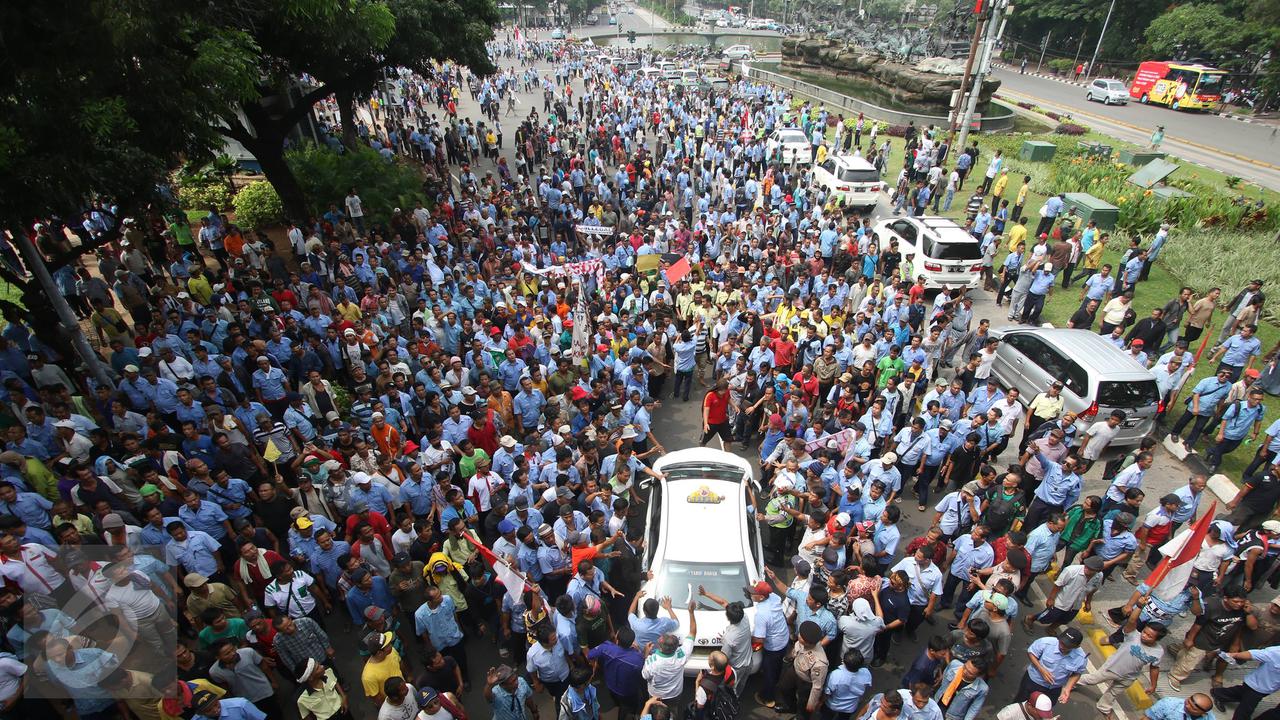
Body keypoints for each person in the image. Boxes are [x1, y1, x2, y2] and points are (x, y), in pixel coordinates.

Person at [1168, 585, 1256, 691]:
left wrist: (1249, 613)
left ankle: (1179, 652)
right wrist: (1190, 639)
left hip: (1222, 641)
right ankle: (1175, 676)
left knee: (1186, 654)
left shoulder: (1244, 609)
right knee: (1190, 662)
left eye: (1242, 601)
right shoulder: (1211, 605)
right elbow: (1198, 624)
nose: (1239, 604)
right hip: (1203, 640)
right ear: (1226, 598)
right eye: (1236, 601)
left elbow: (1251, 627)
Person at [1077, 623, 1167, 720]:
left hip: (1129, 677)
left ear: (1156, 639)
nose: (1144, 636)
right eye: (1144, 632)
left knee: (1114, 693)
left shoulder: (1158, 652)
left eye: (1149, 636)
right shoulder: (1133, 635)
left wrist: (1153, 685)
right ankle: (1071, 682)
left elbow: (1154, 667)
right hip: (1112, 668)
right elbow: (1132, 620)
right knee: (1093, 679)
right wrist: (1138, 608)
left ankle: (1103, 707)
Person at [640, 598, 697, 705]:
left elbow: (645, 675)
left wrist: (646, 654)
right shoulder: (681, 655)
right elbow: (692, 633)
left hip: (655, 696)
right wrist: (691, 612)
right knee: (672, 711)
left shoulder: (651, 661)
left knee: (653, 712)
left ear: (660, 647)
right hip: (674, 695)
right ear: (676, 647)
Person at [1015, 628, 1087, 707]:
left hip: (1054, 689)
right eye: (1061, 642)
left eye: (1067, 646)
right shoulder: (1046, 642)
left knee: (1042, 710)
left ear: (1076, 647)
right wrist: (1041, 669)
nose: (1062, 646)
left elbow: (1077, 673)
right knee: (1020, 704)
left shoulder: (1081, 658)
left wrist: (1068, 688)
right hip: (1034, 681)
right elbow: (1031, 653)